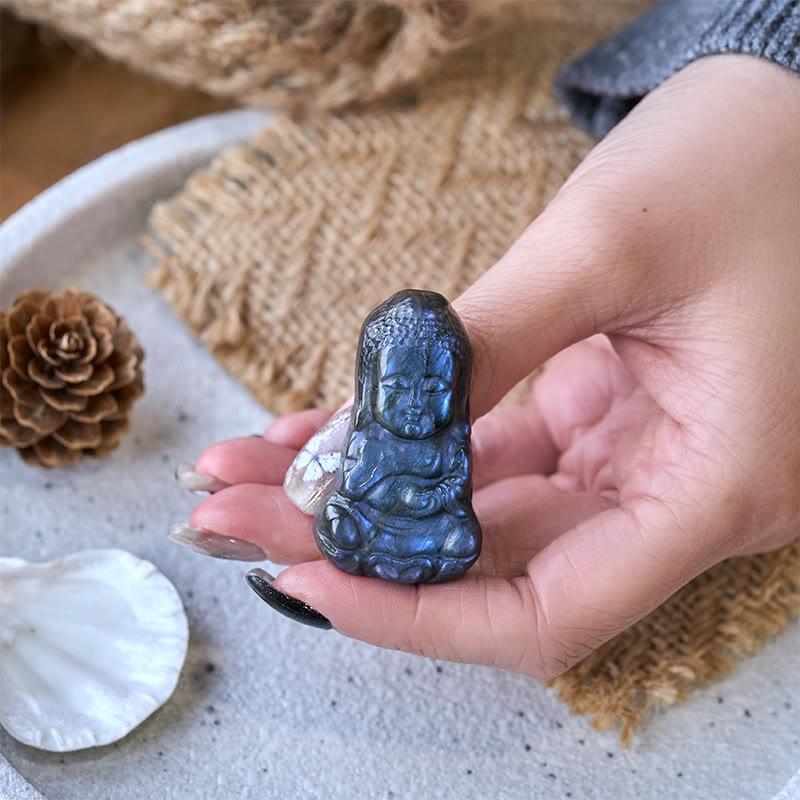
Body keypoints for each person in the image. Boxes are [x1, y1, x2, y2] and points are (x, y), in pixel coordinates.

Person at [168, 1, 800, 680]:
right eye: (397, 388)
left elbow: (447, 483)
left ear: (454, 383)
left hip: (429, 515)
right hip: (381, 509)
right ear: (370, 385)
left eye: (430, 386)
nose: (412, 402)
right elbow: (376, 481)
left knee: (455, 534)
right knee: (350, 518)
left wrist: (765, 107)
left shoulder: (444, 430)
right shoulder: (380, 438)